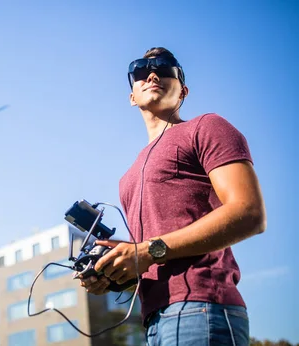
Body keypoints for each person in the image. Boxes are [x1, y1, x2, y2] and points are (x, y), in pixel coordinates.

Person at [78, 47, 267, 345]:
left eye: (166, 69)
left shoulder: (205, 127)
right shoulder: (127, 176)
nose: (153, 73)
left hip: (201, 307)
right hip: (154, 320)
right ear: (131, 97)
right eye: (140, 70)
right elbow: (154, 251)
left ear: (183, 91)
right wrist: (115, 268)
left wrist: (144, 252)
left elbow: (248, 212)